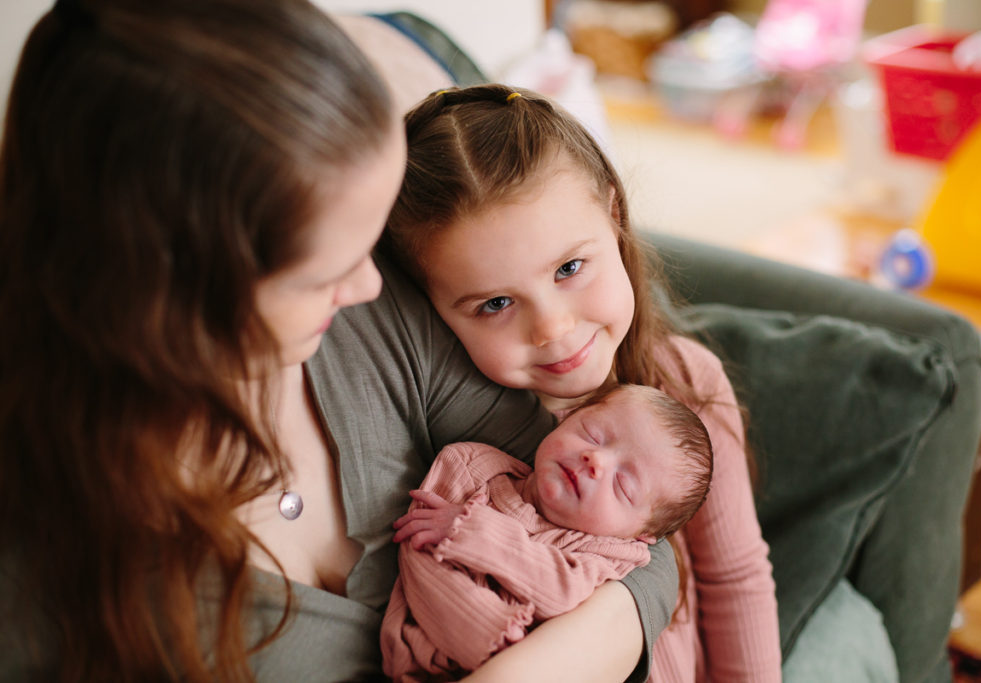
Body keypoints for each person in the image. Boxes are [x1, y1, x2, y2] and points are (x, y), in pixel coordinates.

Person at [0, 2, 680, 681]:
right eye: (321, 272)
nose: (366, 284)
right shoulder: (51, 552)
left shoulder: (374, 323)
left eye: (368, 243)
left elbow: (639, 547)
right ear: (169, 288)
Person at [383, 84, 783, 681]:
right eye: (495, 303)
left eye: (569, 268)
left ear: (614, 213)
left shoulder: (686, 380)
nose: (553, 327)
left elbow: (735, 580)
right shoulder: (453, 432)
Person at [382, 383, 713, 680]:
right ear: (565, 417)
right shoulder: (469, 468)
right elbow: (418, 552)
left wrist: (471, 529)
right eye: (592, 435)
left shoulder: (605, 554)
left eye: (622, 485)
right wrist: (486, 626)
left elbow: (558, 592)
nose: (595, 459)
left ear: (640, 534)